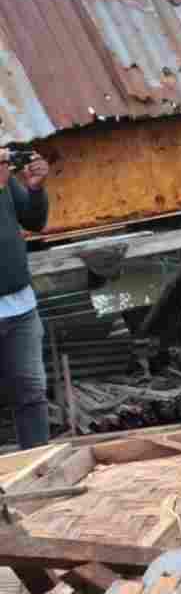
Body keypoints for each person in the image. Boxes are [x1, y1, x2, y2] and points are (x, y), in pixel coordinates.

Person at [0, 148, 52, 450]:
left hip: (21, 309)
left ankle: (40, 471)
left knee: (31, 394)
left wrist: (34, 188)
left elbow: (34, 221)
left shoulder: (6, 183)